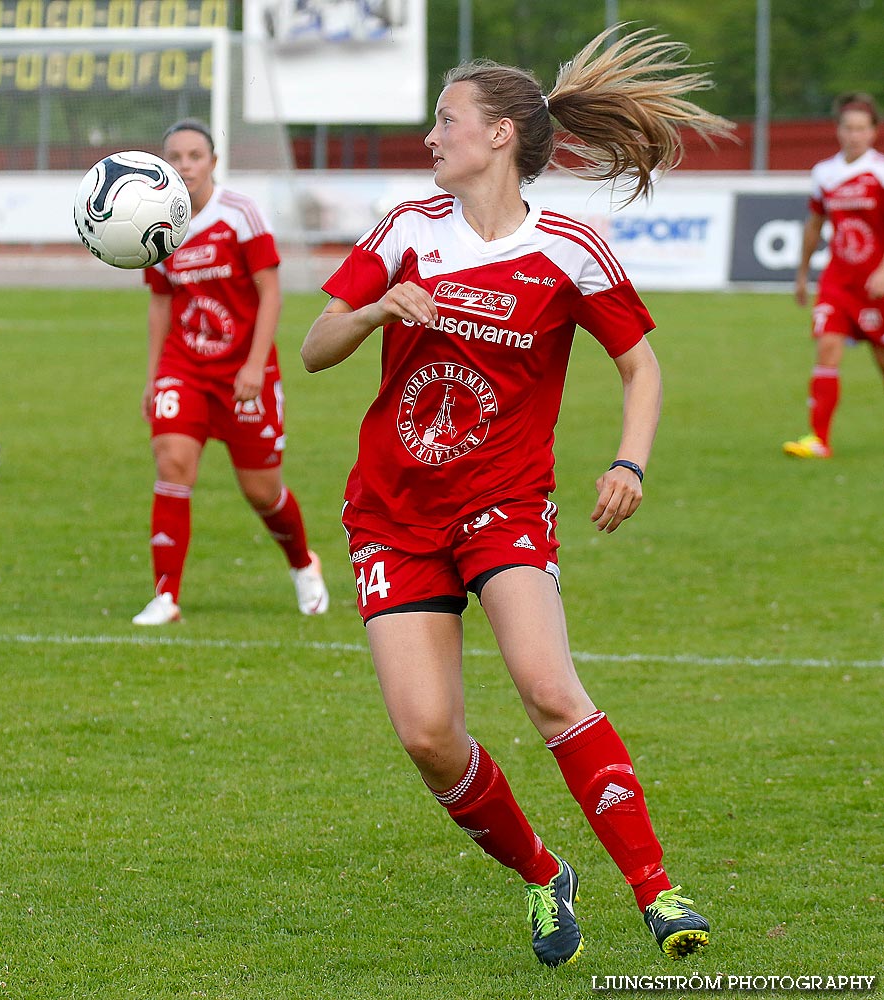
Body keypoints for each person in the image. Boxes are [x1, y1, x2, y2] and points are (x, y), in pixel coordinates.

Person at [302, 27, 732, 966]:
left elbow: (641, 366)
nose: (430, 137)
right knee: (426, 736)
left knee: (546, 687)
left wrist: (629, 463)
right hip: (391, 512)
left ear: (499, 134)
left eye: (446, 119)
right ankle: (545, 874)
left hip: (503, 503)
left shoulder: (570, 247)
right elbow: (316, 343)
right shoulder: (409, 230)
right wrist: (377, 308)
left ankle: (661, 893)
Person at [133, 118, 328, 625]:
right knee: (172, 461)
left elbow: (271, 292)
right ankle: (166, 596)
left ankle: (304, 564)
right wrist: (154, 377)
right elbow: (160, 304)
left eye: (194, 156)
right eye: (174, 157)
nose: (185, 165)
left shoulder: (240, 213)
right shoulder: (155, 225)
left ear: (212, 162)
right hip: (185, 365)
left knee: (262, 490)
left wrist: (255, 365)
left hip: (244, 369)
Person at [784, 92, 884, 459]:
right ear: (838, 130)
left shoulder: (880, 170)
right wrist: (801, 274)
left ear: (874, 132)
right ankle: (819, 439)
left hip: (876, 286)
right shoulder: (824, 173)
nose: (853, 135)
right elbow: (815, 224)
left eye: (861, 128)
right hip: (838, 282)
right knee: (827, 348)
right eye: (848, 127)